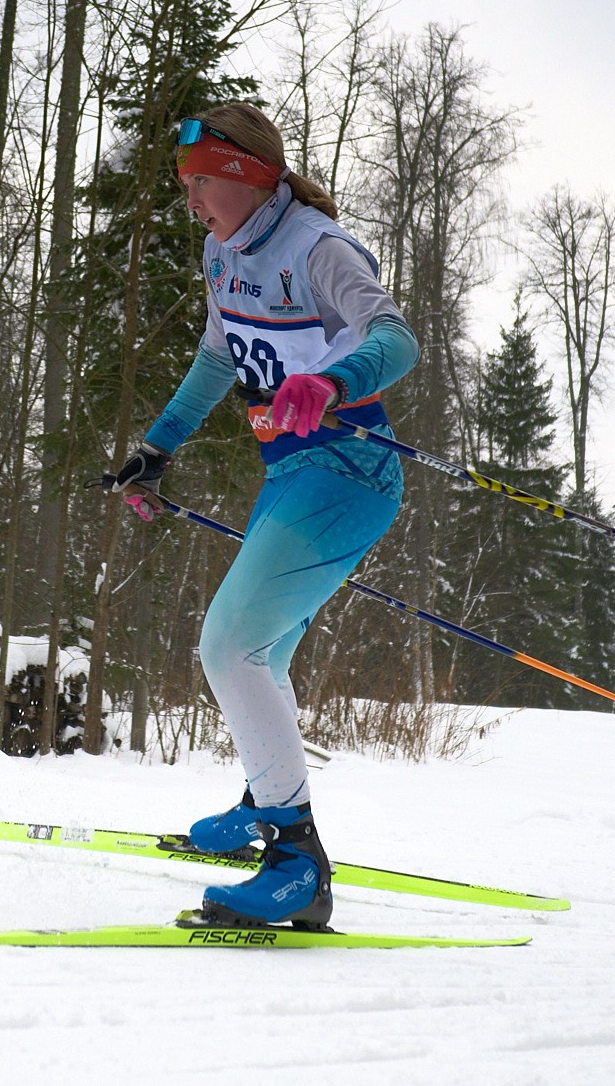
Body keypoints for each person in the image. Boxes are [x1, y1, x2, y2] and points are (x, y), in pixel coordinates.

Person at [100, 105, 420, 930]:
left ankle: (296, 862)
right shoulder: (222, 252)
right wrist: (158, 446)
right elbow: (219, 357)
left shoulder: (318, 247)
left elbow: (396, 337)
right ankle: (262, 797)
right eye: (185, 186)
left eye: (201, 181)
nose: (192, 200)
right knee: (262, 654)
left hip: (350, 473)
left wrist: (336, 381)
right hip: (288, 475)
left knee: (226, 644)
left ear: (245, 174)